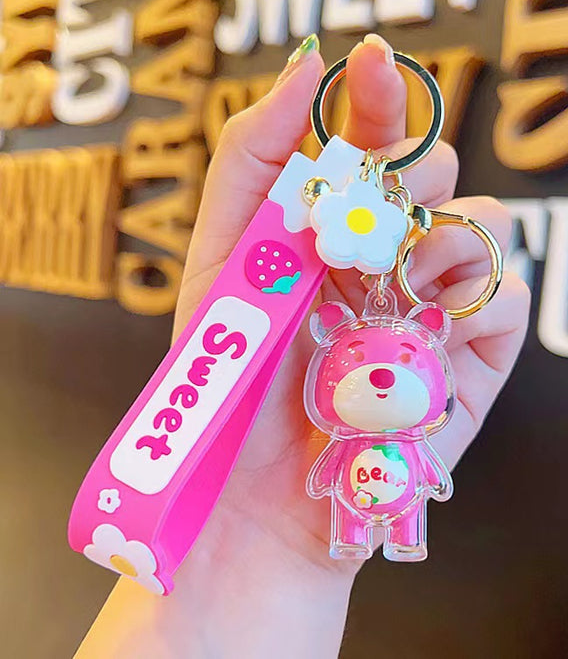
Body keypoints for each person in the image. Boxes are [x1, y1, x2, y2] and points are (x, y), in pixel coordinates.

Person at [75, 33, 530, 658]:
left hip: (378, 488)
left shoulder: (411, 385)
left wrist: (282, 564)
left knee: (399, 513)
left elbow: (425, 475)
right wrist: (241, 544)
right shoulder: (320, 367)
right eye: (362, 364)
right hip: (314, 488)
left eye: (401, 362)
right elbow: (327, 473)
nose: (379, 377)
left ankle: (400, 532)